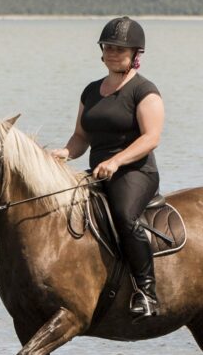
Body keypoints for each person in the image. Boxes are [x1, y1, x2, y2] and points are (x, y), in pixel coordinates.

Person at [62, 16, 165, 318]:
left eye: (120, 49)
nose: (112, 53)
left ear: (136, 55)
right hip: (99, 171)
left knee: (124, 216)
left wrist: (117, 160)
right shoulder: (91, 91)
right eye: (108, 47)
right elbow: (81, 137)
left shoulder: (144, 91)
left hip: (136, 172)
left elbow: (151, 138)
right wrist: (64, 153)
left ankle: (147, 291)